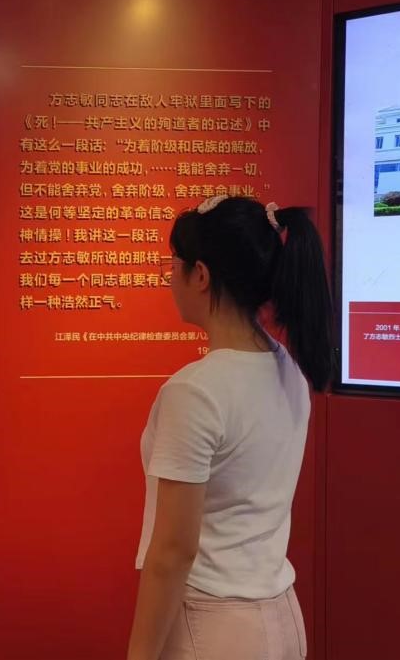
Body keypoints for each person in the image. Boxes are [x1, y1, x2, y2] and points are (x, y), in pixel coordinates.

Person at [127, 195, 332, 660]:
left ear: (200, 275)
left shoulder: (195, 391)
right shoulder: (287, 370)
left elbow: (173, 551)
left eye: (174, 264)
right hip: (281, 615)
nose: (169, 277)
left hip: (213, 627)